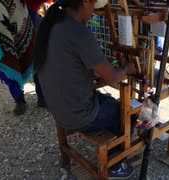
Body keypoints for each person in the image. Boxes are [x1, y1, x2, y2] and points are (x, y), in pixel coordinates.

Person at [35, 0, 137, 178]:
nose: (92, 13)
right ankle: (115, 163)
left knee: (108, 102)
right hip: (78, 116)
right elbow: (112, 78)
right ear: (85, 2)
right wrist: (127, 69)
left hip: (57, 110)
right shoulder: (79, 32)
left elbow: (67, 64)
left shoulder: (50, 23)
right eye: (93, 6)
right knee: (128, 113)